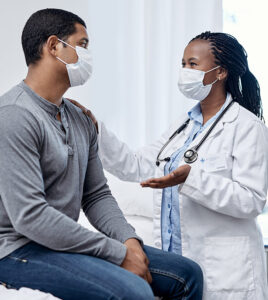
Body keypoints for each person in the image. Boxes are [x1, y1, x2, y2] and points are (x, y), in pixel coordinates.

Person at [0, 8, 203, 300]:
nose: (88, 54)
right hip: (17, 249)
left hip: (59, 245)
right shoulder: (14, 116)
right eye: (82, 45)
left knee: (187, 275)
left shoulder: (81, 119)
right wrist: (116, 253)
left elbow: (96, 194)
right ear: (54, 46)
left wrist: (129, 240)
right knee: (133, 292)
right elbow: (30, 216)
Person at [71, 31, 268, 299]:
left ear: (220, 72)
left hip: (225, 272)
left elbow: (253, 200)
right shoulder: (184, 126)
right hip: (179, 268)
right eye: (183, 64)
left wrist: (191, 179)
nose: (185, 71)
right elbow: (137, 164)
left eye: (193, 64)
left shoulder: (247, 127)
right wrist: (96, 130)